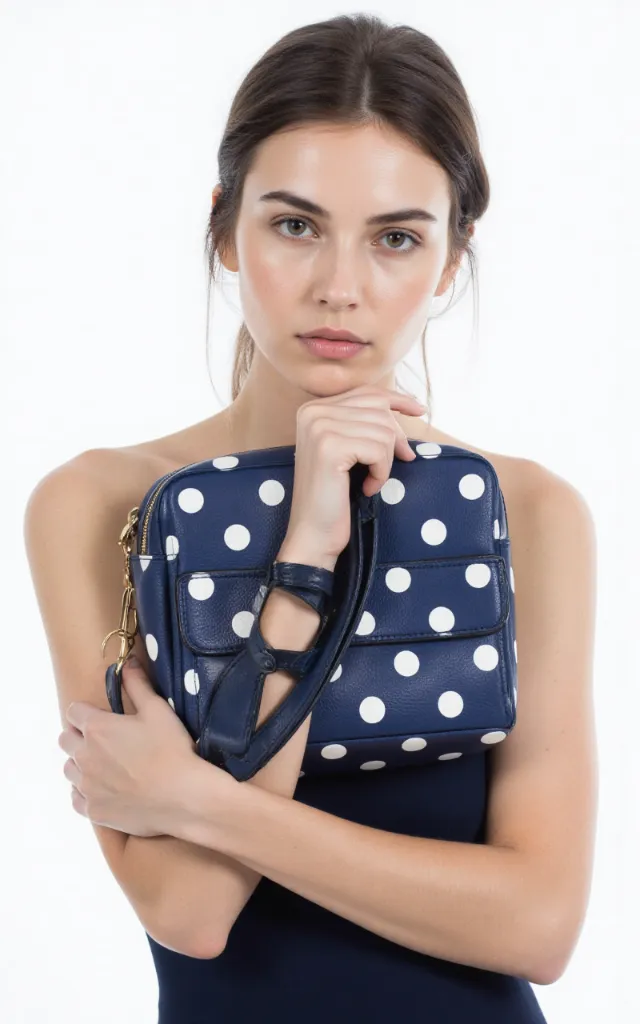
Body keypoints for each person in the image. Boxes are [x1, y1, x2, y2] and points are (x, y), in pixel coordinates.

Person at [23, 13, 598, 1024]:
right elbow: (192, 908)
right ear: (223, 230)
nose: (340, 287)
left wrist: (198, 799)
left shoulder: (524, 513)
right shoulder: (102, 503)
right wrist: (305, 556)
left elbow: (537, 923)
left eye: (396, 239)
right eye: (295, 224)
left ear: (450, 260)